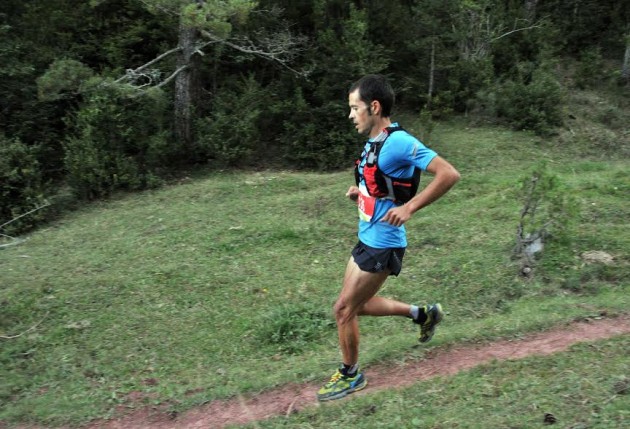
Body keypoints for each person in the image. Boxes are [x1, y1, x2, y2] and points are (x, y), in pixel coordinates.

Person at [317, 74, 460, 402]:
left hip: (384, 243)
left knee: (343, 310)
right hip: (367, 237)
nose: (351, 115)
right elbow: (382, 185)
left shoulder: (398, 141)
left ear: (375, 106)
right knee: (357, 306)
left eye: (355, 108)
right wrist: (362, 195)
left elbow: (448, 173)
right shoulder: (374, 142)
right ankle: (423, 314)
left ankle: (350, 375)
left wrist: (410, 207)